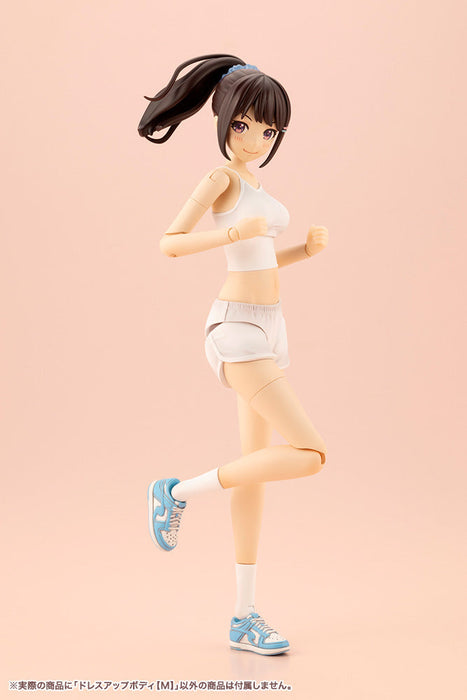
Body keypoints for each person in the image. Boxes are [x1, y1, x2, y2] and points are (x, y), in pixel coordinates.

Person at [138, 54, 329, 656]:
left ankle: (243, 617)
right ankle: (177, 492)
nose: (255, 140)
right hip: (237, 328)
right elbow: (169, 243)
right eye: (244, 126)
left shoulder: (258, 187)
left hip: (272, 328)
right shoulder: (221, 180)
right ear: (223, 121)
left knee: (257, 470)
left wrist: (302, 252)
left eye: (269, 131)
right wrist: (231, 233)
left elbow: (262, 259)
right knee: (309, 454)